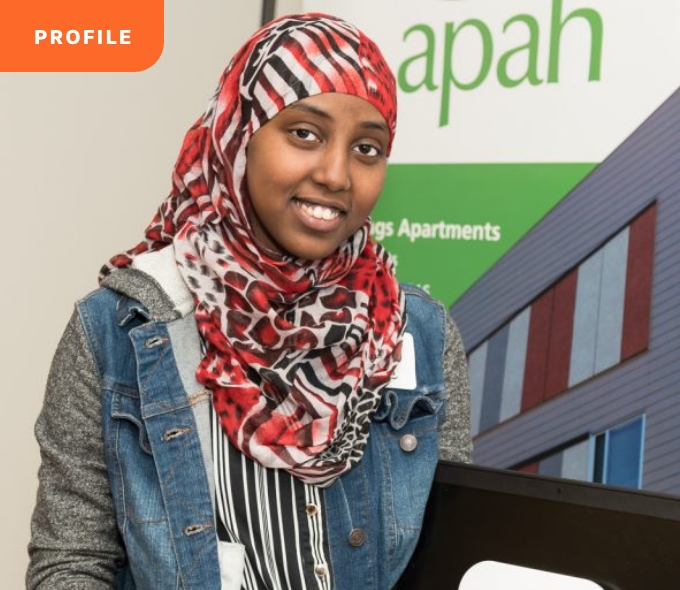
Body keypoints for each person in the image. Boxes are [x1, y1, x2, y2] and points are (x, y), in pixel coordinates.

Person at [27, 12, 471, 590]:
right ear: (239, 135)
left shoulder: (420, 332)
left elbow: (451, 559)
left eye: (367, 147)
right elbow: (71, 564)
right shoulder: (117, 332)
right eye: (305, 134)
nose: (337, 174)